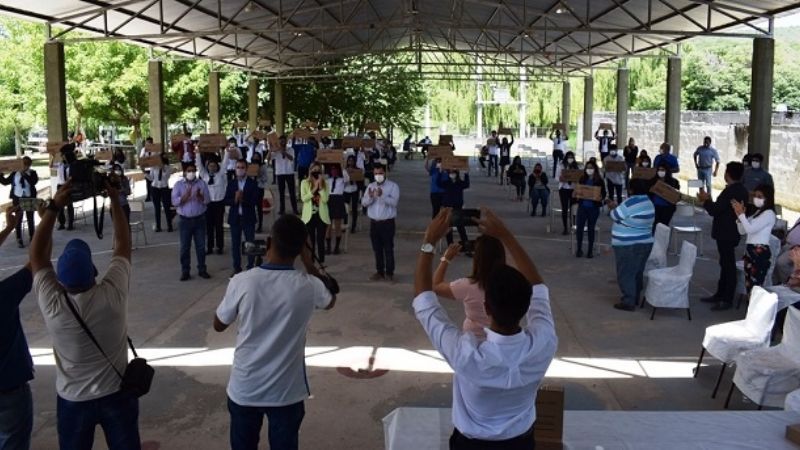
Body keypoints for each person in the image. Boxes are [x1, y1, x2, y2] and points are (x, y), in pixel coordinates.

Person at [413, 208, 557, 449]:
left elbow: (424, 301)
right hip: (521, 442)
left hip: (471, 444)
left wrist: (429, 242)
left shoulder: (467, 353)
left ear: (487, 308)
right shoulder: (544, 342)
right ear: (527, 307)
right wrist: (506, 236)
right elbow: (539, 288)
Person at [31, 180, 141, 449]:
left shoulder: (53, 305)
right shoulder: (112, 295)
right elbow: (123, 243)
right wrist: (114, 200)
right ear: (93, 270)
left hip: (73, 399)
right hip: (117, 392)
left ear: (59, 279)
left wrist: (52, 210)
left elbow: (37, 256)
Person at [213, 215, 335, 450]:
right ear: (301, 249)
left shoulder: (242, 281)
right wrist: (309, 263)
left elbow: (219, 324)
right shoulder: (310, 285)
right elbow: (330, 301)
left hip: (245, 387)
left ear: (269, 242)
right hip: (286, 392)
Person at [0, 207, 34, 450]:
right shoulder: (4, 295)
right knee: (14, 441)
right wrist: (49, 216)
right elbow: (38, 261)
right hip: (9, 387)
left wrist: (9, 229)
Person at [432, 236, 506, 340]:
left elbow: (436, 286)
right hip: (502, 339)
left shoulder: (467, 285)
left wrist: (446, 259)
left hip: (473, 340)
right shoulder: (511, 283)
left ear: (477, 259)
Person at [698, 162, 749, 311]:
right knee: (725, 264)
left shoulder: (730, 192)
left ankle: (726, 298)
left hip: (726, 232)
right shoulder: (742, 190)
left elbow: (716, 210)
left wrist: (706, 200)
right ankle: (720, 294)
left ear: (728, 174)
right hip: (732, 232)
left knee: (728, 265)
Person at [608, 178, 655, 311]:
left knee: (626, 273)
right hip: (645, 242)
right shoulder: (648, 202)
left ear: (631, 189)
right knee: (637, 272)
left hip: (628, 244)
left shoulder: (630, 202)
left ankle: (628, 301)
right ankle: (635, 297)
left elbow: (614, 215)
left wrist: (613, 207)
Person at [733, 184, 777, 295]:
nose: (756, 198)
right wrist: (740, 217)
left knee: (755, 286)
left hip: (759, 252)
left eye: (760, 196)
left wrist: (742, 215)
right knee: (749, 285)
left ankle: (754, 305)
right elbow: (742, 231)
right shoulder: (758, 212)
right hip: (750, 251)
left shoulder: (769, 214)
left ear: (767, 198)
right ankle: (750, 304)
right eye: (755, 196)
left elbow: (750, 229)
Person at [172, 162, 212, 281]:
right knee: (185, 247)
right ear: (184, 172)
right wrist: (184, 197)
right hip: (184, 220)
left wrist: (200, 197)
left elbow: (208, 200)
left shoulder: (201, 183)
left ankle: (202, 269)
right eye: (189, 171)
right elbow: (174, 201)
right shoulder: (178, 185)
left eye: (193, 170)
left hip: (199, 219)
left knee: (201, 246)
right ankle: (185, 271)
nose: (191, 173)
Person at [362, 164, 399, 282]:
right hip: (374, 223)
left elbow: (394, 202)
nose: (378, 175)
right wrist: (370, 197)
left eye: (380, 173)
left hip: (387, 223)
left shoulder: (393, 186)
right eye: (376, 173)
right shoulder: (370, 186)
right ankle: (379, 272)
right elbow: (364, 202)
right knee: (377, 249)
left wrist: (382, 195)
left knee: (388, 248)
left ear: (385, 173)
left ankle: (389, 273)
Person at [226, 159, 260, 277]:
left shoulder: (252, 183)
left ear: (246, 169)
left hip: (248, 218)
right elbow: (226, 200)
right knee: (235, 244)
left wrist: (243, 199)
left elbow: (255, 200)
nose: (240, 170)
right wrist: (235, 200)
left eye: (242, 167)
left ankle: (251, 267)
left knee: (250, 243)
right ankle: (237, 267)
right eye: (238, 167)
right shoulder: (231, 183)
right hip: (235, 218)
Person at [0, 156, 38, 247]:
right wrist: (0, 175)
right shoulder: (14, 173)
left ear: (29, 165)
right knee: (18, 219)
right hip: (17, 198)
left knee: (30, 219)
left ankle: (32, 237)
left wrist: (24, 173)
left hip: (29, 197)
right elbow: (5, 182)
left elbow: (33, 182)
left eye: (27, 164)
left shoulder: (33, 173)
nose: (25, 166)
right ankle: (19, 238)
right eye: (23, 164)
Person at [574, 161, 607, 258]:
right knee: (579, 228)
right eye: (587, 167)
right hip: (582, 207)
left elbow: (603, 193)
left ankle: (590, 251)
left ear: (595, 169)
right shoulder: (582, 179)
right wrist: (576, 194)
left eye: (591, 167)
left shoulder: (599, 181)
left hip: (593, 208)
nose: (589, 169)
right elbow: (578, 190)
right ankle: (579, 249)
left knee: (591, 229)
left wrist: (601, 197)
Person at [197, 153, 227, 255]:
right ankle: (209, 247)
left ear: (217, 166)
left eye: (214, 166)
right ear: (207, 167)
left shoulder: (220, 175)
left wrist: (226, 152)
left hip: (219, 203)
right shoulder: (205, 176)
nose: (212, 168)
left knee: (219, 226)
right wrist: (197, 153)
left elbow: (225, 163)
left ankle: (220, 247)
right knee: (209, 226)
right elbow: (199, 166)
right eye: (210, 166)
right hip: (208, 204)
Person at [301, 163, 330, 264]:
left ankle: (321, 262)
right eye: (314, 170)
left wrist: (320, 187)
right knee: (311, 241)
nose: (316, 173)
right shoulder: (304, 183)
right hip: (309, 216)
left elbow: (325, 200)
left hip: (321, 216)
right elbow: (304, 198)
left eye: (318, 171)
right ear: (310, 171)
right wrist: (314, 189)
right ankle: (311, 261)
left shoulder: (325, 184)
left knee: (320, 240)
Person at [438, 169, 470, 251]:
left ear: (457, 174)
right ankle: (450, 245)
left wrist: (466, 174)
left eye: (453, 173)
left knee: (460, 227)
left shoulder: (460, 183)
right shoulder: (446, 183)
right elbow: (438, 183)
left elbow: (467, 184)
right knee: (449, 227)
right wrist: (440, 173)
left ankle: (465, 246)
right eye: (451, 173)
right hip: (448, 207)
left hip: (457, 207)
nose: (452, 174)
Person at [145, 153, 175, 233]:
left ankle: (169, 226)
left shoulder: (168, 167)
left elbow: (166, 177)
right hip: (155, 187)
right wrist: (145, 173)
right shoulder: (154, 167)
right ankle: (158, 226)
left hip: (164, 187)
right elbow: (151, 178)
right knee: (157, 208)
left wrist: (162, 168)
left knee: (166, 207)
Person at [271, 135, 299, 216]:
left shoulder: (291, 149)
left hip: (289, 173)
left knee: (292, 192)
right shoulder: (276, 151)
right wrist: (271, 149)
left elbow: (291, 158)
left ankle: (295, 209)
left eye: (284, 141)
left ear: (286, 142)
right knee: (281, 192)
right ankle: (282, 209)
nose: (282, 143)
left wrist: (283, 151)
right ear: (279, 142)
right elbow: (269, 158)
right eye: (281, 141)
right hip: (280, 173)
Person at [649, 162, 680, 231]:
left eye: (662, 170)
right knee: (655, 226)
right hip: (655, 207)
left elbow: (677, 196)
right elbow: (648, 193)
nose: (660, 172)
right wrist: (650, 190)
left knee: (663, 227)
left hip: (667, 208)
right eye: (659, 170)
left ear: (667, 171)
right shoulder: (653, 181)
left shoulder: (673, 182)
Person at [325, 163, 348, 255]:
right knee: (328, 226)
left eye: (335, 169)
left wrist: (342, 167)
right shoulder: (328, 180)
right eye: (332, 169)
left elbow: (347, 178)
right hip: (329, 200)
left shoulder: (342, 180)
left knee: (338, 226)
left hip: (338, 200)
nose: (334, 171)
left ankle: (336, 247)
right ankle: (328, 247)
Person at [555, 151, 580, 235]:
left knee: (574, 209)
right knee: (565, 209)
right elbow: (556, 177)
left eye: (571, 157)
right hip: (564, 189)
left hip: (573, 189)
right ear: (566, 158)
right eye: (569, 157)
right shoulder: (561, 165)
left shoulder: (576, 166)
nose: (570, 159)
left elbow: (579, 177)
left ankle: (573, 226)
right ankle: (565, 227)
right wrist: (560, 178)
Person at [56, 145, 76, 230]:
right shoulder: (60, 164)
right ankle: (62, 223)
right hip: (60, 185)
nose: (62, 156)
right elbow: (51, 166)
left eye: (63, 155)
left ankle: (70, 223)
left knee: (69, 205)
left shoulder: (72, 165)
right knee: (60, 205)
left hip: (68, 186)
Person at [250, 153, 269, 233]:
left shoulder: (263, 166)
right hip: (251, 189)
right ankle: (252, 223)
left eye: (257, 157)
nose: (255, 159)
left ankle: (260, 225)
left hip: (259, 188)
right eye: (254, 157)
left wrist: (258, 176)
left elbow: (265, 178)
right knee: (251, 207)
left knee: (259, 208)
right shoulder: (250, 165)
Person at [343, 155, 363, 234]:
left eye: (352, 161)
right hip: (346, 190)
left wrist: (355, 178)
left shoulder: (358, 170)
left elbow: (361, 182)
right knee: (345, 209)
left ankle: (353, 226)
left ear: (354, 162)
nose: (350, 162)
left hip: (354, 190)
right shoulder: (344, 171)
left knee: (354, 208)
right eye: (349, 161)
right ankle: (345, 224)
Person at [139, 137, 156, 201]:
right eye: (147, 142)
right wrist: (142, 168)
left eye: (150, 142)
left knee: (154, 182)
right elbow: (141, 158)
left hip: (154, 168)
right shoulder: (143, 149)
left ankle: (154, 195)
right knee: (148, 183)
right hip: (147, 168)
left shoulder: (155, 149)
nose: (148, 144)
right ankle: (148, 196)